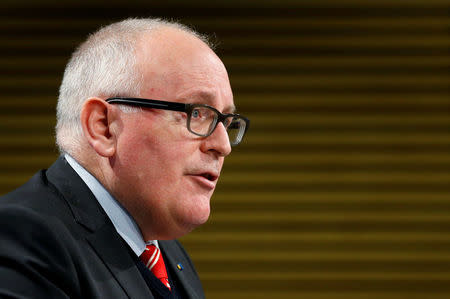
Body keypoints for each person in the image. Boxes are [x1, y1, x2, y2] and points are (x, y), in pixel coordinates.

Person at [0, 18, 249, 299]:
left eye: (226, 121)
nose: (223, 145)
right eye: (197, 113)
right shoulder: (21, 239)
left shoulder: (168, 253)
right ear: (104, 127)